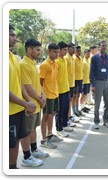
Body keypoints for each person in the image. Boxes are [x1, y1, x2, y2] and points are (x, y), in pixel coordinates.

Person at [9, 24, 37, 169]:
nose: (15, 38)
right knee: (9, 144)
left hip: (18, 109)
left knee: (16, 141)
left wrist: (27, 101)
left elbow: (19, 83)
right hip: (8, 112)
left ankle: (13, 168)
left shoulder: (13, 57)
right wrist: (25, 103)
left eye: (14, 35)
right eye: (11, 35)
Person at [19, 39, 49, 167]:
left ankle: (34, 150)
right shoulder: (24, 64)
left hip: (37, 103)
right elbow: (27, 86)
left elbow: (37, 83)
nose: (39, 52)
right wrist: (39, 98)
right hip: (30, 104)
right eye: (37, 49)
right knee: (26, 131)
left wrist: (43, 96)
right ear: (29, 50)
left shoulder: (32, 63)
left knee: (33, 129)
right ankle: (26, 157)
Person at [90, 40, 108, 129]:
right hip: (98, 82)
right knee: (97, 103)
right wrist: (92, 85)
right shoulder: (94, 58)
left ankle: (106, 120)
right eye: (102, 45)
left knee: (107, 103)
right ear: (99, 47)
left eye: (105, 45)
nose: (104, 47)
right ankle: (96, 121)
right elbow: (91, 72)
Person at [39, 43, 61, 149]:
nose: (57, 54)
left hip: (54, 93)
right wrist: (42, 95)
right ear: (49, 52)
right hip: (47, 95)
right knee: (46, 116)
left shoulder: (55, 64)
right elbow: (39, 82)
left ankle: (50, 134)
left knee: (52, 114)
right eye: (54, 52)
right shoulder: (45, 64)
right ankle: (44, 140)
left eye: (58, 52)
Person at [55, 41, 73, 138]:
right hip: (59, 90)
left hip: (66, 88)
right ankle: (59, 128)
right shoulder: (57, 61)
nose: (66, 52)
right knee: (60, 111)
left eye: (66, 50)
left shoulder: (64, 60)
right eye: (64, 50)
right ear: (59, 50)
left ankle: (65, 124)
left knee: (65, 108)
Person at [73, 45, 84, 116]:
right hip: (74, 80)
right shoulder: (73, 59)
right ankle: (74, 111)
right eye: (78, 51)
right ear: (75, 51)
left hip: (80, 79)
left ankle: (77, 109)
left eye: (80, 51)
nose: (79, 52)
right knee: (74, 96)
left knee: (78, 95)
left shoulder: (81, 59)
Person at [80, 49, 91, 113]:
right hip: (84, 81)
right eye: (87, 53)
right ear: (84, 54)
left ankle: (83, 106)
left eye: (89, 54)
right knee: (83, 95)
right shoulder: (83, 62)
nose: (88, 55)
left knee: (85, 94)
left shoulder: (88, 61)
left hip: (88, 81)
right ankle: (81, 107)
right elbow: (81, 72)